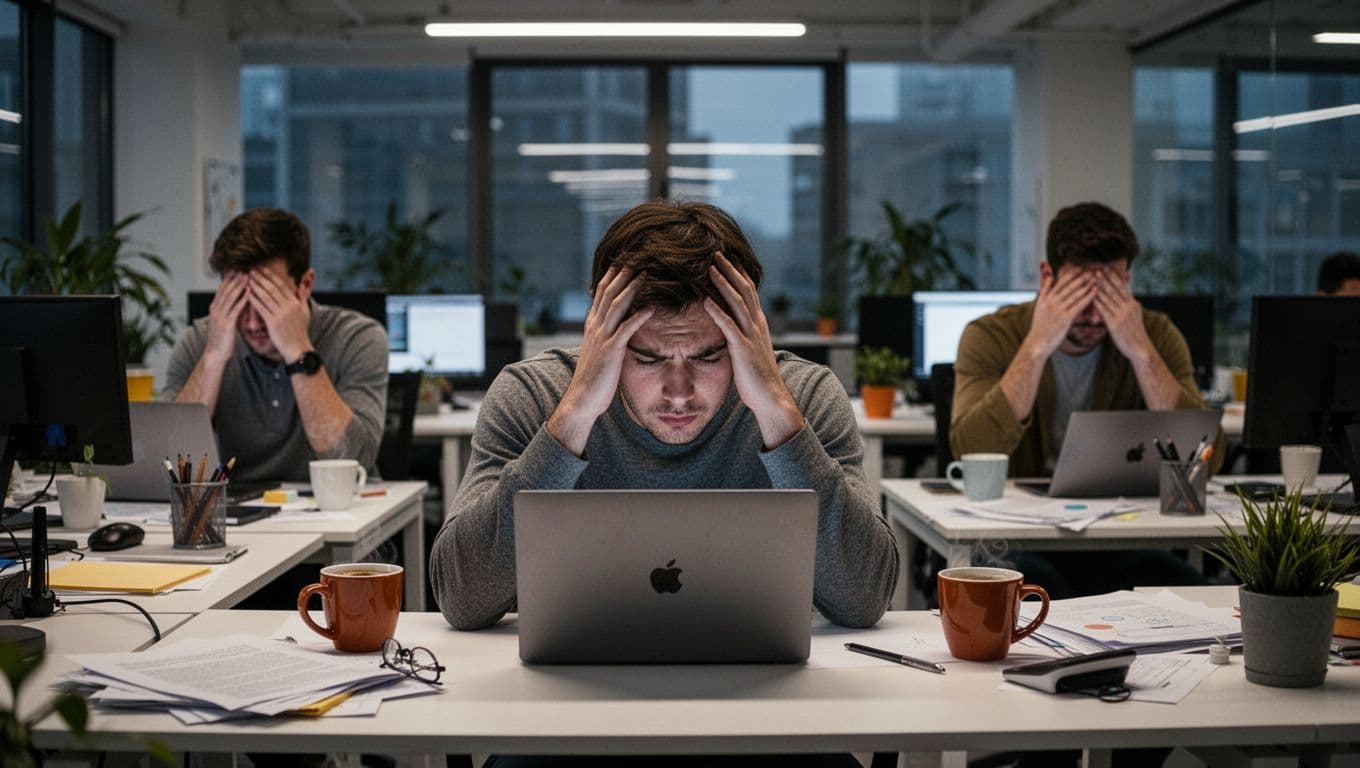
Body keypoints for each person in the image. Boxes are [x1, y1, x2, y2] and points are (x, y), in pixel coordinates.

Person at [430, 199, 899, 634]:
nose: (679, 393)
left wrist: (777, 414)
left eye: (709, 357)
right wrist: (573, 417)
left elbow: (863, 599)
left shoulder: (804, 398)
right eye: (650, 360)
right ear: (601, 330)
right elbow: (463, 598)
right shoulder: (534, 395)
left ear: (748, 333)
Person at [950, 201, 1218, 599]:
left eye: (1111, 293)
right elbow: (970, 447)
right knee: (1040, 589)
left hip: (1120, 538)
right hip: (1019, 540)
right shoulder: (992, 335)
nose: (1096, 316)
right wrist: (1038, 346)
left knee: (1195, 592)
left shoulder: (1155, 336)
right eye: (1081, 295)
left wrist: (1141, 354)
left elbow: (1208, 458)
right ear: (1047, 276)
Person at [163, 208, 388, 483]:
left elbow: (353, 459)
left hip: (340, 512)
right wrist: (213, 357)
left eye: (267, 301)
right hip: (238, 516)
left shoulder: (358, 338)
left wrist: (297, 349)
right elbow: (169, 462)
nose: (255, 323)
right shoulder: (200, 342)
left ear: (304, 284)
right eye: (240, 302)